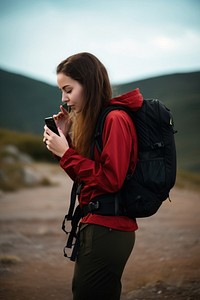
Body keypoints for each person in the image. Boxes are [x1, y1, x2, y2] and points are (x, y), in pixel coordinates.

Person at [43, 52, 143, 300]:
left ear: (88, 84)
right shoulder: (101, 121)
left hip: (108, 230)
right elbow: (87, 178)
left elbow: (111, 180)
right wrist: (66, 146)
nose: (64, 99)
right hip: (98, 226)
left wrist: (67, 153)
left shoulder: (115, 119)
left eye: (68, 89)